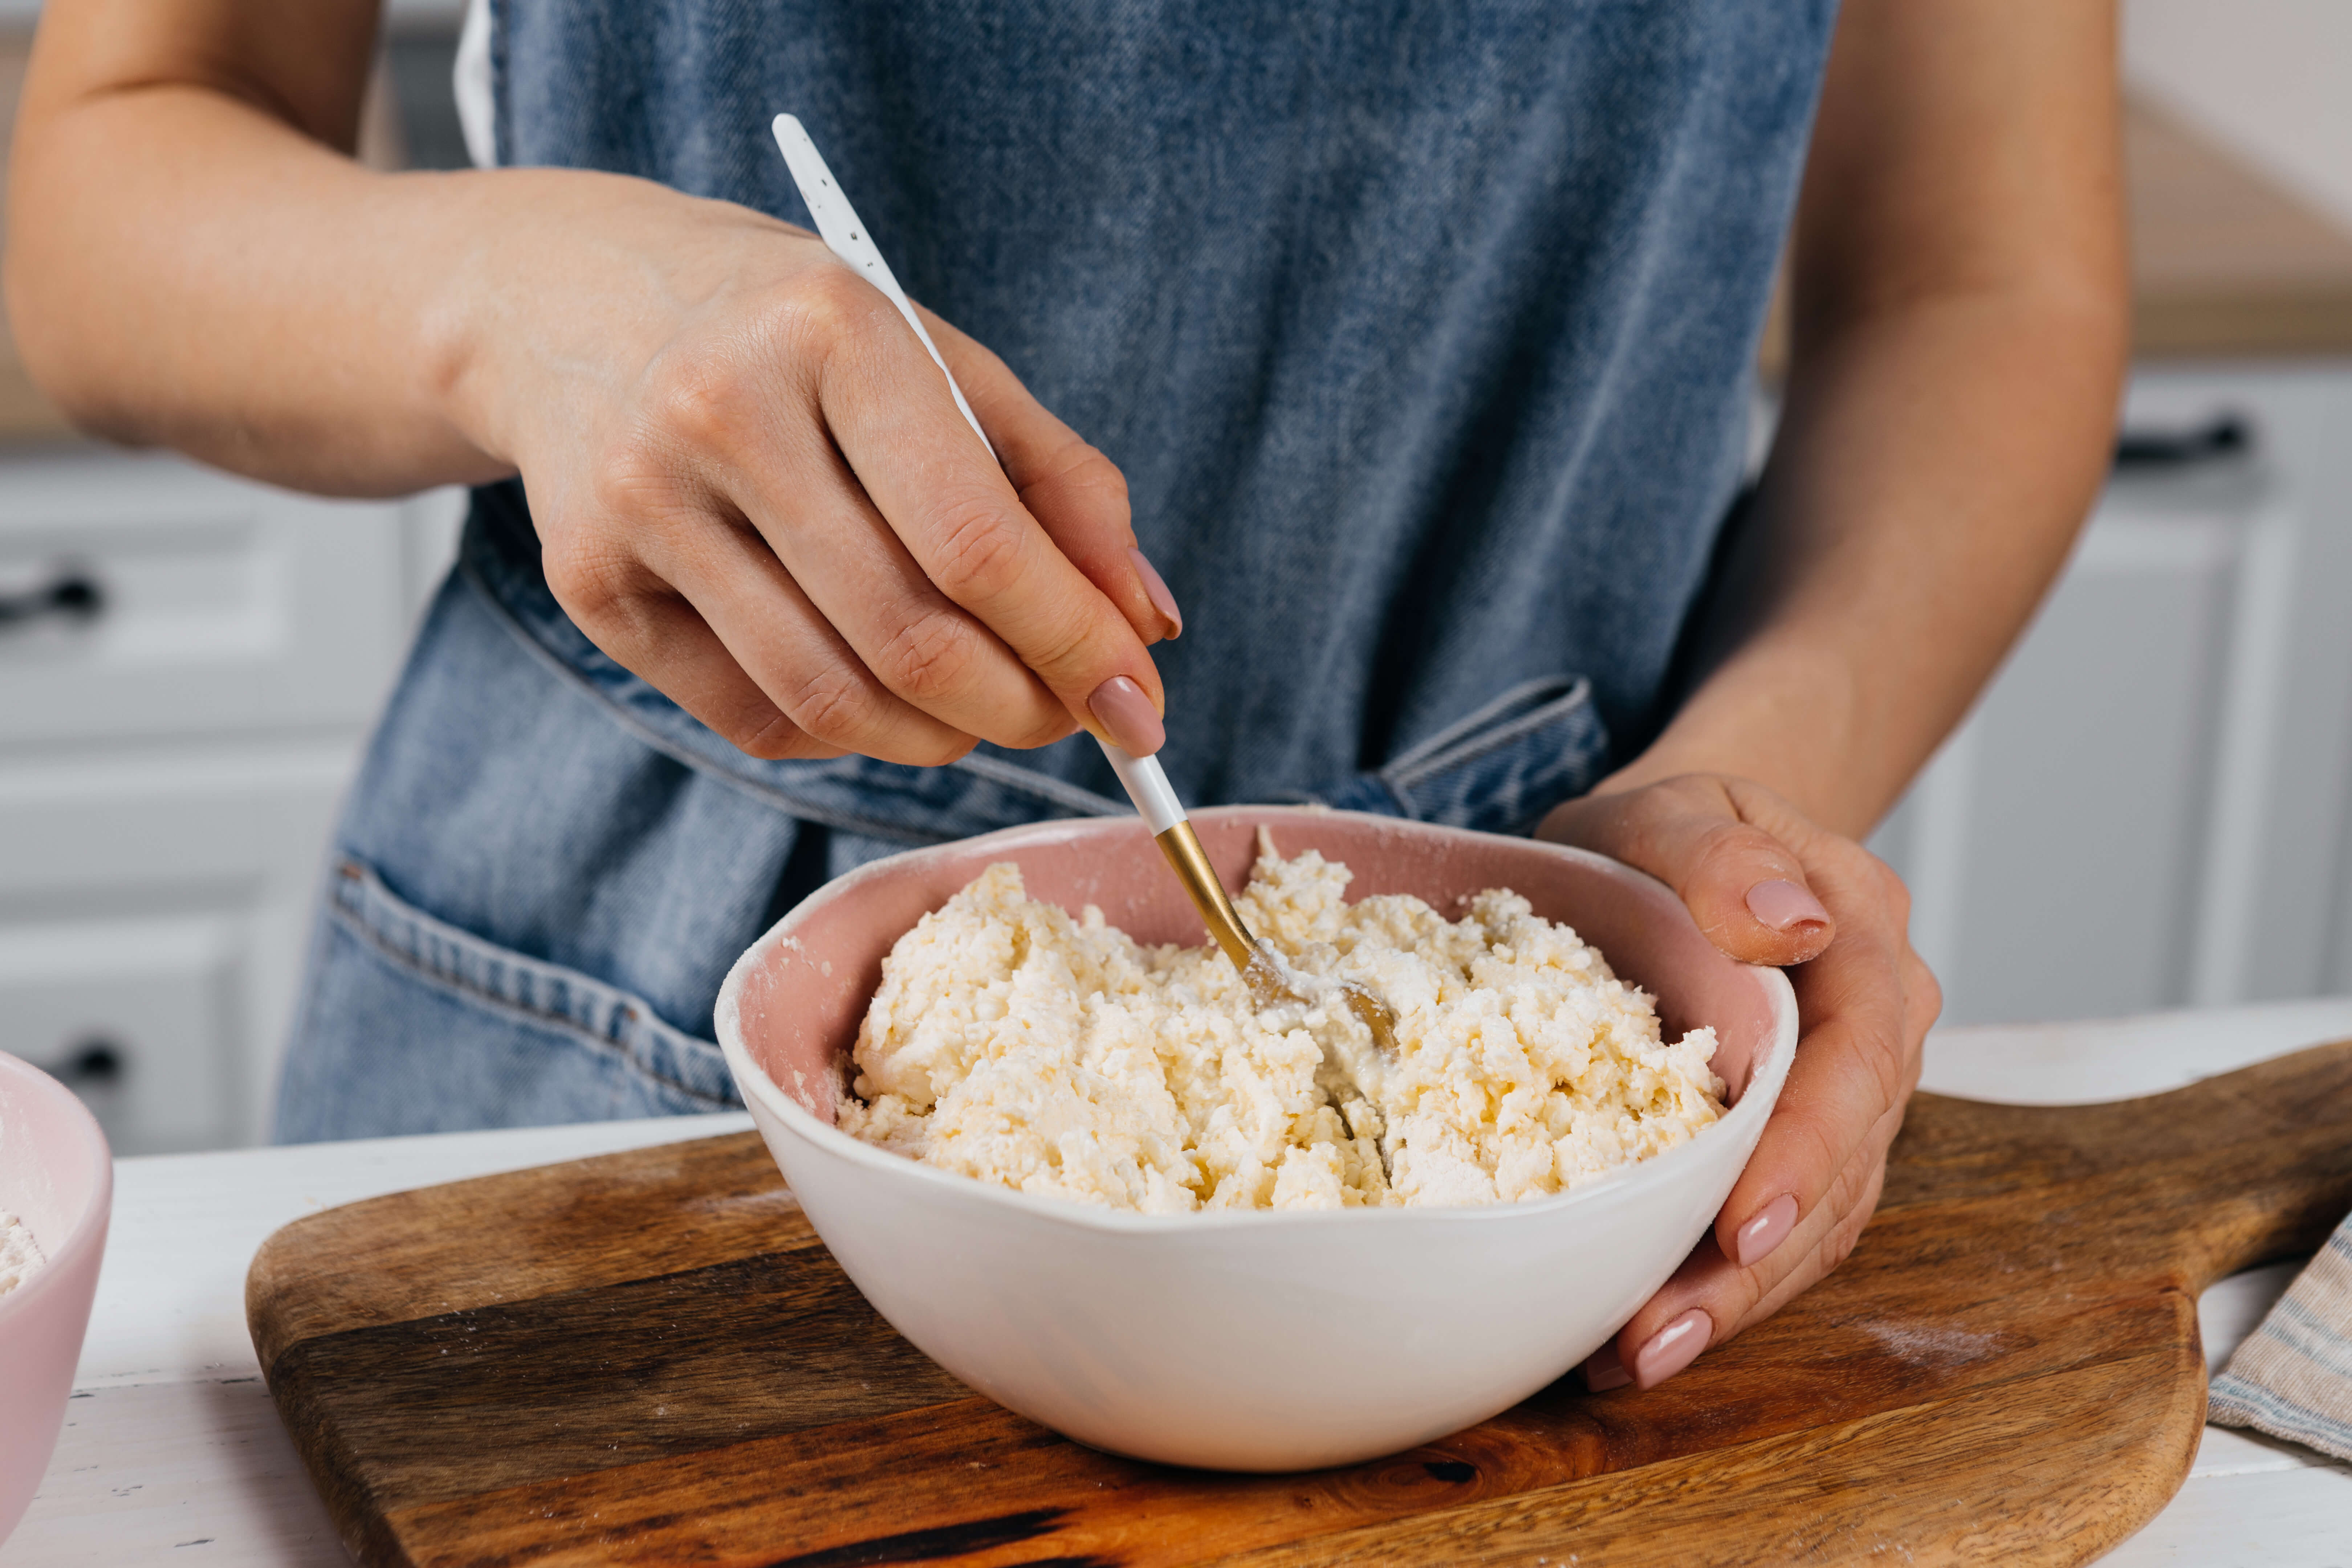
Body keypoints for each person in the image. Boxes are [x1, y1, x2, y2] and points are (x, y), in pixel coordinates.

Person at [5, 0, 2127, 1392]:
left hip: (1561, 1081)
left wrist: (1747, 796)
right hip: (572, 1025)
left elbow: (1979, 274)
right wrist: (512, 302)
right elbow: (96, 189)